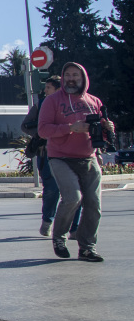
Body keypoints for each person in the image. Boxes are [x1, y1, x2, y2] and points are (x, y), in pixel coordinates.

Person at [37, 62, 112, 263]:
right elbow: (43, 130)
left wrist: (107, 128)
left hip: (89, 157)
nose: (71, 78)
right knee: (72, 197)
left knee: (94, 204)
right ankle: (59, 239)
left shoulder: (94, 101)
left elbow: (102, 134)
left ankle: (87, 248)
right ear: (62, 78)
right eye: (68, 75)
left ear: (83, 78)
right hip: (60, 156)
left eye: (75, 75)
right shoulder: (52, 101)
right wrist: (71, 127)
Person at [21, 76, 80, 237]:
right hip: (47, 153)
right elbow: (25, 125)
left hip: (71, 153)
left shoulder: (73, 104)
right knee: (52, 190)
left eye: (48, 87)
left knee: (76, 191)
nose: (45, 90)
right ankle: (47, 221)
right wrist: (42, 133)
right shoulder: (40, 105)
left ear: (58, 88)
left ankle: (74, 228)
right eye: (45, 87)